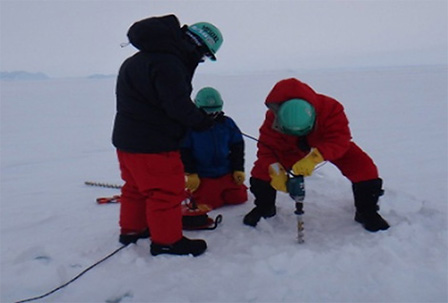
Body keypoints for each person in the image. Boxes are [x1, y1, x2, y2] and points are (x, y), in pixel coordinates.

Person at [112, 14, 223, 257]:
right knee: (166, 192)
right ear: (197, 46)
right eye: (204, 55)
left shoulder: (137, 60)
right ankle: (167, 241)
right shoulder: (168, 64)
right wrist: (202, 122)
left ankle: (132, 230)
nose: (201, 60)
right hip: (154, 145)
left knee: (135, 187)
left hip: (127, 142)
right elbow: (177, 106)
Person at [243, 78, 390, 232]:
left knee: (363, 167)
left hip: (326, 146)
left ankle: (367, 211)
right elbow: (267, 149)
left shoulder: (331, 107)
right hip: (289, 149)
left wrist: (316, 157)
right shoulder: (272, 117)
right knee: (261, 171)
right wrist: (275, 170)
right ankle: (264, 207)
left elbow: (340, 139)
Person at [181, 87, 248, 210]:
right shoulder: (190, 127)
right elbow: (184, 151)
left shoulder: (227, 124)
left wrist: (238, 169)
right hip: (204, 175)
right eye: (208, 112)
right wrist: (191, 173)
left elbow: (237, 146)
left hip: (225, 171)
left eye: (215, 111)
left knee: (239, 197)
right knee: (208, 203)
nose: (212, 115)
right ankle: (191, 193)